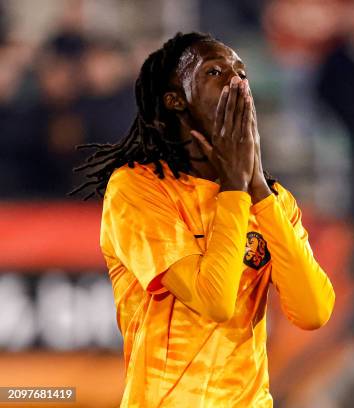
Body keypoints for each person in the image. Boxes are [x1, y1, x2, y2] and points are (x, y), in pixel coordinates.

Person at [70, 32, 335, 407]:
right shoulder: (138, 189)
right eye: (215, 71)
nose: (237, 81)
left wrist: (257, 187)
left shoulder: (273, 201)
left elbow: (313, 312)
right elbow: (215, 302)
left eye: (241, 72)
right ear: (175, 100)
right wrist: (234, 188)